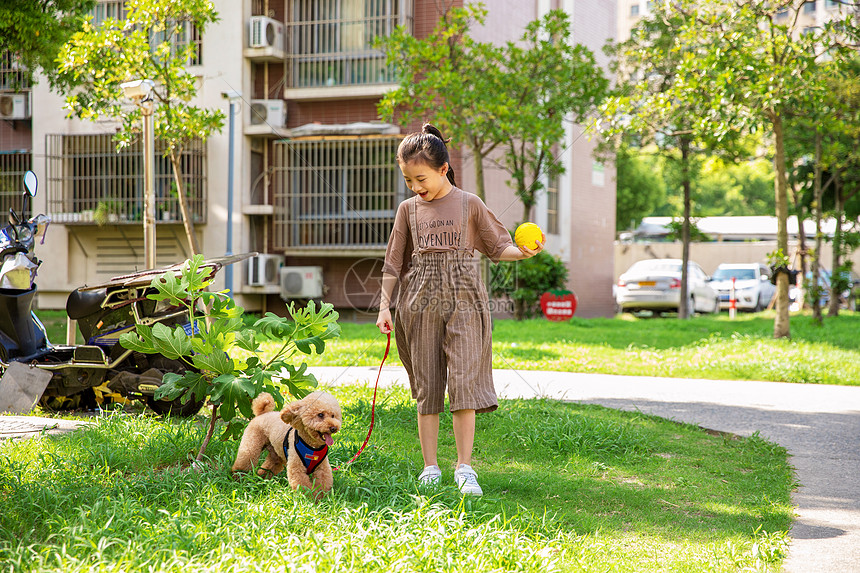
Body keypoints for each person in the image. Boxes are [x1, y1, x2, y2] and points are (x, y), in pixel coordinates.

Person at [376, 123, 544, 495]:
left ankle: (465, 467)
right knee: (427, 385)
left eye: (420, 178)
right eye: (408, 180)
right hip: (419, 301)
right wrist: (385, 306)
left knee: (465, 381)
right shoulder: (408, 210)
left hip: (466, 298)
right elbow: (393, 263)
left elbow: (498, 247)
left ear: (443, 169)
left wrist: (525, 252)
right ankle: (431, 467)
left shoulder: (470, 204)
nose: (415, 187)